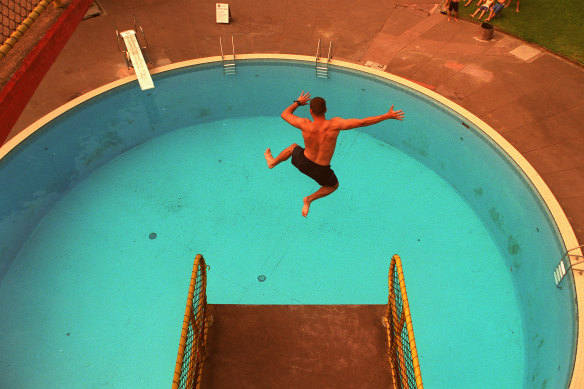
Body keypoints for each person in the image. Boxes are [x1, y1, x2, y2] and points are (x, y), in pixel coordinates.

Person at [264, 91, 405, 217]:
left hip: (303, 163)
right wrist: (387, 116)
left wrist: (298, 102)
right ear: (326, 110)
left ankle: (273, 162)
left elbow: (285, 114)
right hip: (321, 171)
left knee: (292, 147)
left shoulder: (305, 124)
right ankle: (309, 199)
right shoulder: (335, 125)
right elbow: (363, 122)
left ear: (311, 112)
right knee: (333, 186)